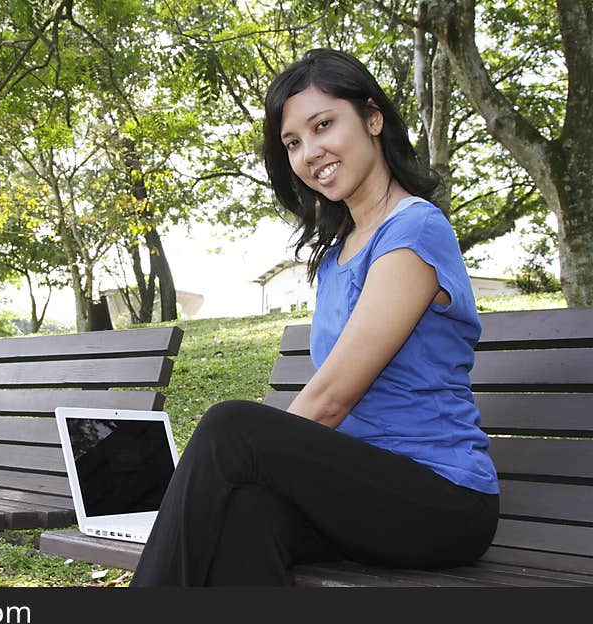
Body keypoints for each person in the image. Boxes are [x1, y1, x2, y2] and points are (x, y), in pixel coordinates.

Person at [129, 48, 500, 587]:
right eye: (293, 142)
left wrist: (232, 464)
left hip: (441, 498)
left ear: (373, 118)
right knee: (247, 517)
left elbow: (331, 399)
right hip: (361, 489)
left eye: (323, 125)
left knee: (230, 427)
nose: (309, 153)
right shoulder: (337, 255)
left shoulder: (414, 231)